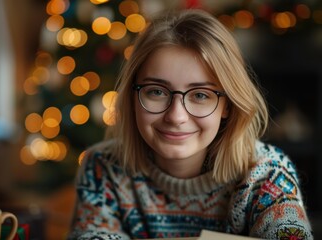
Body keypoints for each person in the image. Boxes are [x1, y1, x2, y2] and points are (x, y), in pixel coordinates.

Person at [68, 9, 313, 240]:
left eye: (200, 95)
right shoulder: (102, 169)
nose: (176, 116)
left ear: (228, 104)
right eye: (156, 91)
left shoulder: (267, 174)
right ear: (133, 98)